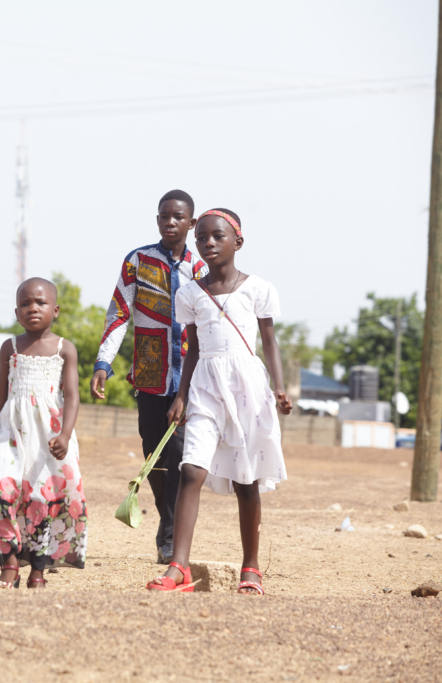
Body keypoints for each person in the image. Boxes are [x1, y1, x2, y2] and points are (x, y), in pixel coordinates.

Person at [146, 208, 292, 594]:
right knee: (191, 469)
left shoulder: (258, 289)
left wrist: (280, 388)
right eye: (202, 238)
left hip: (248, 388)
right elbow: (192, 349)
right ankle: (179, 566)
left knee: (247, 481)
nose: (208, 243)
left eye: (218, 237)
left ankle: (251, 568)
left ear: (237, 242)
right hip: (205, 387)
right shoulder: (190, 293)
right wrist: (180, 395)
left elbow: (270, 342)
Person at [91, 189, 207, 564]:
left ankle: (171, 538)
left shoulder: (202, 267)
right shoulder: (138, 261)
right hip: (149, 377)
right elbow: (119, 313)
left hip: (189, 381)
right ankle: (167, 521)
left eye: (177, 217)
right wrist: (103, 364)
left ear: (191, 222)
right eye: (163, 216)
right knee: (153, 457)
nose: (169, 222)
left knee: (179, 458)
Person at [0, 278, 86, 589]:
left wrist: (65, 435)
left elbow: (72, 395)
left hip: (49, 437)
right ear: (16, 311)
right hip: (10, 432)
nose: (32, 308)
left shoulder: (65, 348)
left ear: (55, 310)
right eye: (25, 304)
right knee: (2, 491)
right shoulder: (10, 347)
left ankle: (37, 569)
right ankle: (10, 563)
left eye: (39, 303)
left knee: (41, 499)